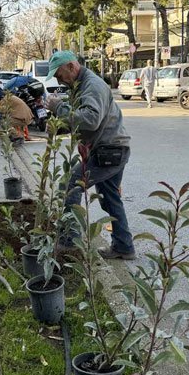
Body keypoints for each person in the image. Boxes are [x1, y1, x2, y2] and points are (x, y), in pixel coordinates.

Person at [44, 51, 135, 260]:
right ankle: (124, 246)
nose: (59, 80)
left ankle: (69, 243)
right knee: (110, 199)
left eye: (59, 75)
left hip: (109, 151)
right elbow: (84, 121)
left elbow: (90, 120)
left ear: (71, 67)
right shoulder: (80, 85)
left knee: (69, 185)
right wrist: (61, 127)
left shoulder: (92, 85)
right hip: (111, 149)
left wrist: (59, 107)